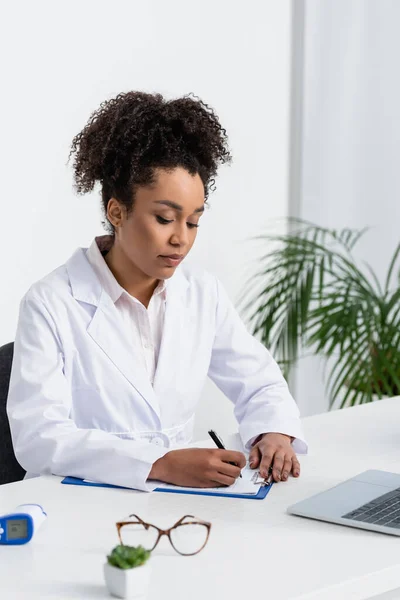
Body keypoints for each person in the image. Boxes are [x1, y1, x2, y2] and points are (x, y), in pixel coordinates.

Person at [7, 91, 307, 492]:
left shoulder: (202, 294)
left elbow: (259, 382)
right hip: (74, 502)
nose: (181, 239)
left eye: (194, 222)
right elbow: (39, 438)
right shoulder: (50, 302)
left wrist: (273, 432)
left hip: (172, 504)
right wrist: (158, 463)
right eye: (165, 218)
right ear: (117, 212)